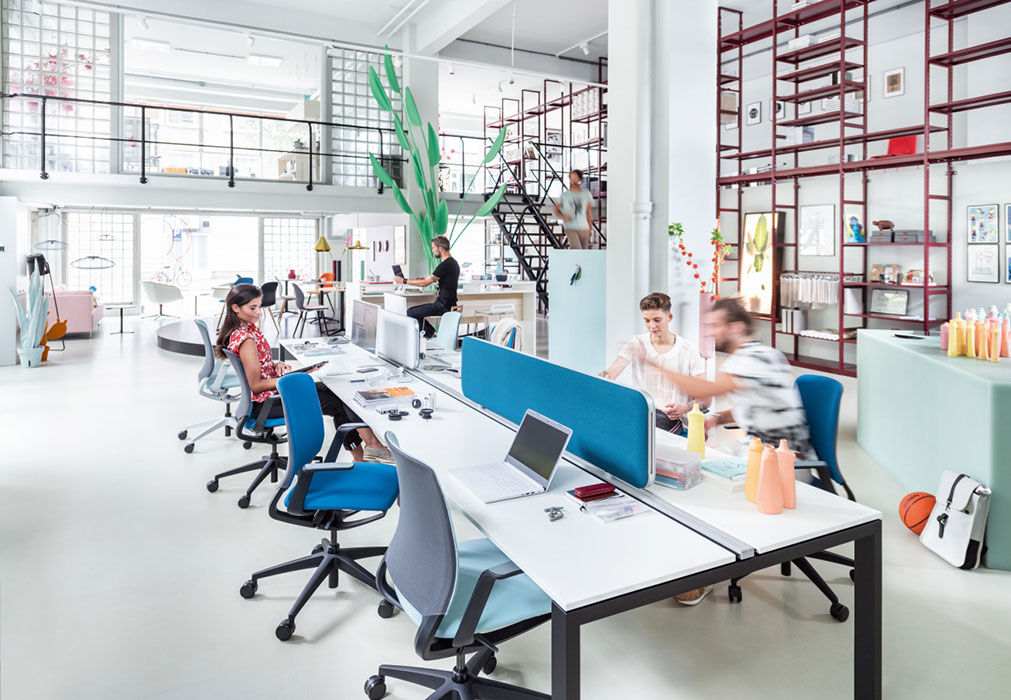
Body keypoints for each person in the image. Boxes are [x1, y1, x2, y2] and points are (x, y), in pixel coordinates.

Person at [646, 297, 813, 607]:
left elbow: (703, 391)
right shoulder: (757, 356)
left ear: (736, 327)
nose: (711, 332)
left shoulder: (753, 358)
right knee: (697, 466)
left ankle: (703, 577)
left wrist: (654, 363)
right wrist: (717, 419)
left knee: (700, 489)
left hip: (778, 457)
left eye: (716, 326)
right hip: (757, 444)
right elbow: (752, 404)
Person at [215, 283, 391, 463]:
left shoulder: (246, 330)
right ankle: (370, 452)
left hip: (274, 393)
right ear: (235, 308)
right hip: (267, 403)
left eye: (259, 306)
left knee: (336, 390)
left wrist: (276, 365)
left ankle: (369, 452)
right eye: (252, 307)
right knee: (338, 404)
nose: (258, 312)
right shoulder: (246, 339)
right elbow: (256, 385)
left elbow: (257, 363)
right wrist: (288, 379)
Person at [599, 292, 709, 433]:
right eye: (647, 320)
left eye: (657, 320)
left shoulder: (688, 350)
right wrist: (600, 379)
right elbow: (610, 373)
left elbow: (705, 399)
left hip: (672, 419)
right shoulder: (637, 343)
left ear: (669, 317)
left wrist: (685, 407)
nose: (652, 326)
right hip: (642, 414)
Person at [395, 235, 460, 338]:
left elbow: (425, 283)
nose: (433, 250)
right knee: (412, 312)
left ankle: (433, 335)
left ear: (440, 248)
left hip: (443, 305)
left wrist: (404, 280)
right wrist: (426, 280)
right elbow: (441, 281)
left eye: (434, 248)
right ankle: (433, 334)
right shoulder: (452, 263)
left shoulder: (446, 264)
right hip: (448, 303)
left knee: (410, 313)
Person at [553, 169, 593, 250]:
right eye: (571, 178)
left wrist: (590, 229)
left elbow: (589, 213)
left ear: (580, 180)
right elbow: (555, 211)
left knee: (584, 252)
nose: (573, 181)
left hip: (584, 227)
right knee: (577, 249)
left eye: (575, 178)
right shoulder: (564, 195)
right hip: (570, 227)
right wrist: (563, 217)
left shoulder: (586, 194)